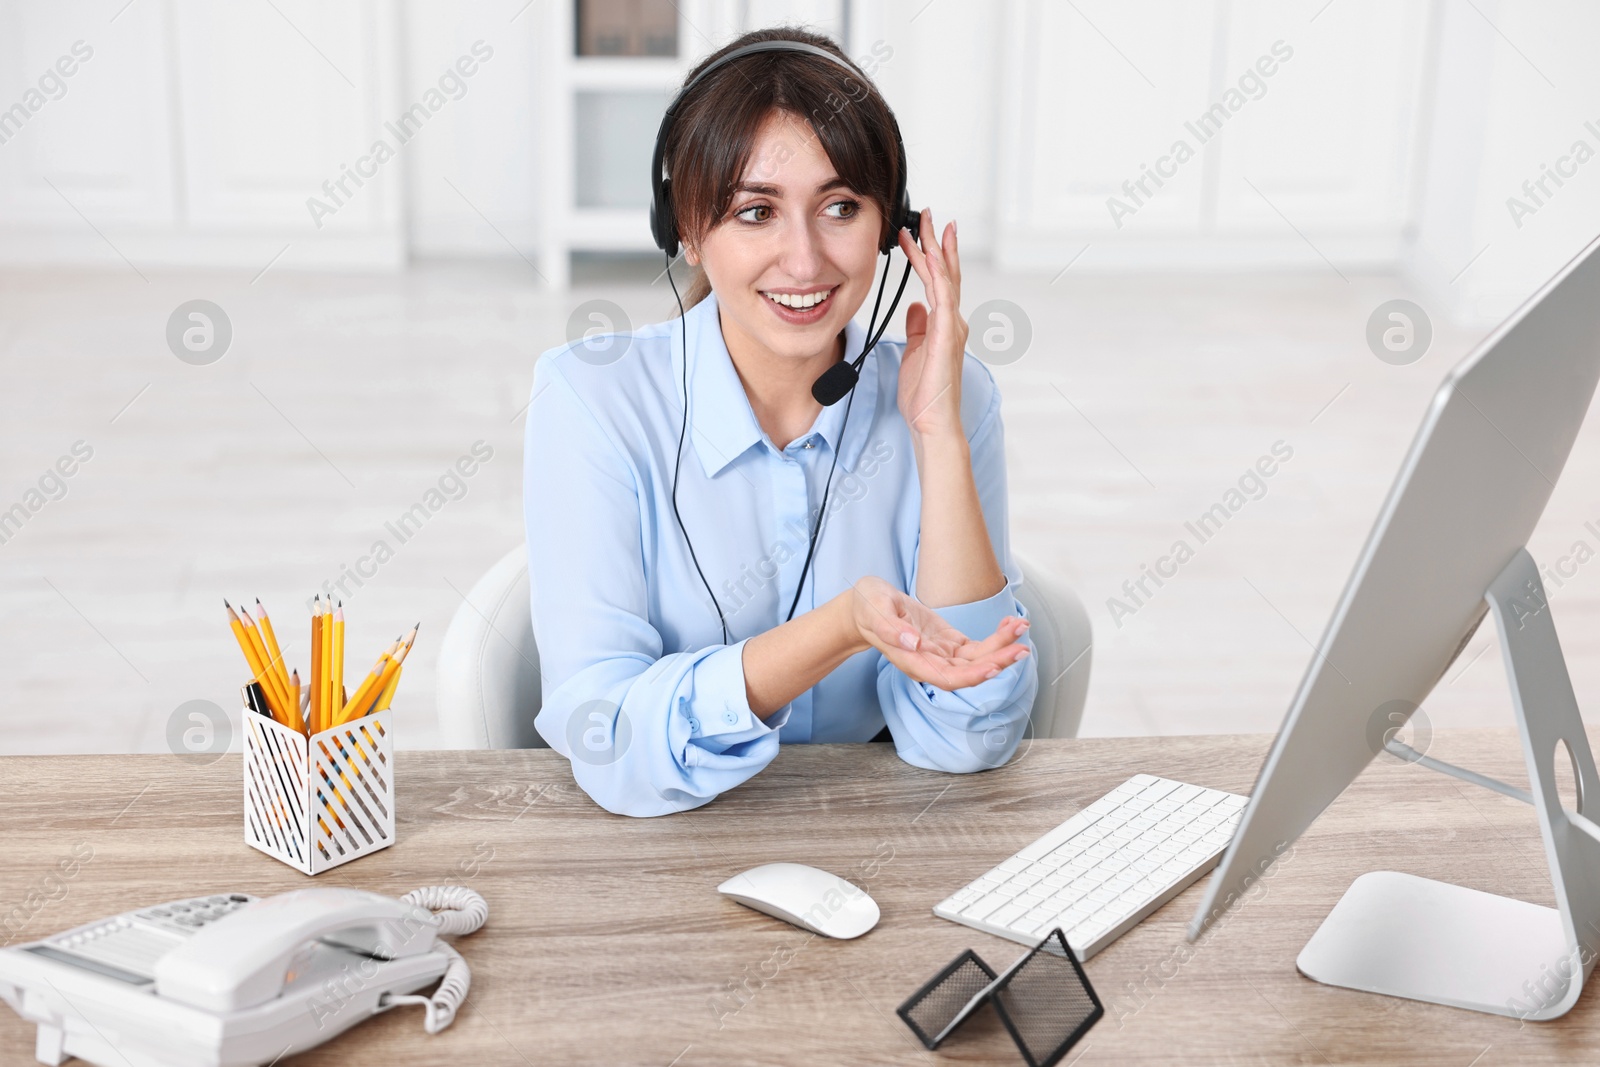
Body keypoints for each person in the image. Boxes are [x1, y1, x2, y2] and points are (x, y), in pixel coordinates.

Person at [523, 27, 1038, 817]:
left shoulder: (951, 395)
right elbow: (610, 741)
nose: (804, 262)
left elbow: (972, 736)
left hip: (884, 853)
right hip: (664, 863)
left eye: (840, 207)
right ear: (686, 230)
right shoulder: (592, 402)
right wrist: (841, 627)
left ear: (890, 227)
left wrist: (939, 435)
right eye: (755, 211)